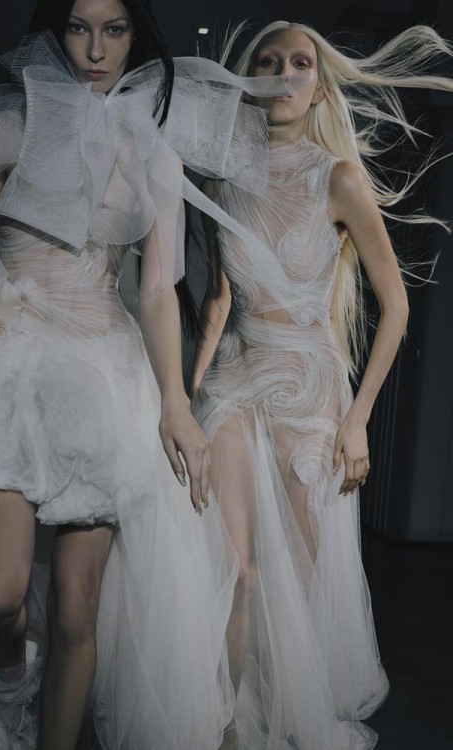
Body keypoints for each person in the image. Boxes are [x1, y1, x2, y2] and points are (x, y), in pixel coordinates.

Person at [0, 3, 304, 749]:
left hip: (101, 372)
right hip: (2, 364)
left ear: (135, 36)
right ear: (53, 32)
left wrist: (173, 402)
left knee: (74, 610)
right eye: (78, 27)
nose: (95, 49)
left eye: (113, 29)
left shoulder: (155, 148)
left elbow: (156, 290)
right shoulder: (7, 128)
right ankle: (8, 692)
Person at [191, 20, 453, 750]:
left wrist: (358, 419)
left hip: (310, 395)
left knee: (297, 588)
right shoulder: (221, 179)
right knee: (235, 568)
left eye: (299, 63)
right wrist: (183, 397)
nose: (283, 72)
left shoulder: (338, 178)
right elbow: (217, 300)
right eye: (268, 61)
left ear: (318, 86)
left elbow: (395, 306)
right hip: (235, 384)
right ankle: (226, 730)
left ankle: (282, 723)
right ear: (249, 81)